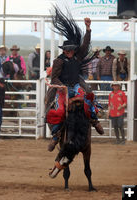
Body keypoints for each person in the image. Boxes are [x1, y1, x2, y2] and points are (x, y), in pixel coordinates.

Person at [46, 7, 104, 151]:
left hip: (76, 85)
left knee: (88, 101)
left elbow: (85, 45)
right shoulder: (59, 61)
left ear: (73, 50)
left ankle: (94, 120)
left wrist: (88, 29)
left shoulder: (77, 57)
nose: (69, 51)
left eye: (71, 49)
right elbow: (54, 78)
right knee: (59, 112)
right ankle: (56, 135)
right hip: (63, 88)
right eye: (67, 49)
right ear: (64, 50)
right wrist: (62, 87)